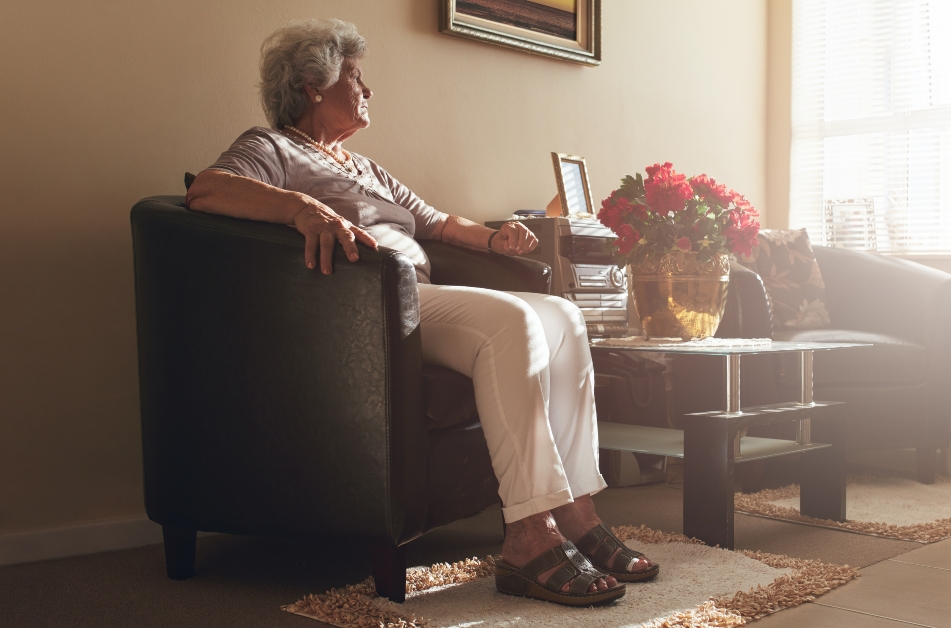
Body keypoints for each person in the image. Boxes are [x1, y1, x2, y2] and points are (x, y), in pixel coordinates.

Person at [185, 19, 656, 607]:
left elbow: (434, 222)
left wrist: (495, 239)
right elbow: (206, 189)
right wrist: (301, 207)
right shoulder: (271, 147)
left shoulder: (365, 167)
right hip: (361, 311)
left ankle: (578, 513)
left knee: (562, 315)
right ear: (313, 85)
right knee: (514, 323)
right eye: (356, 77)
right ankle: (529, 539)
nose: (368, 90)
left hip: (415, 300)